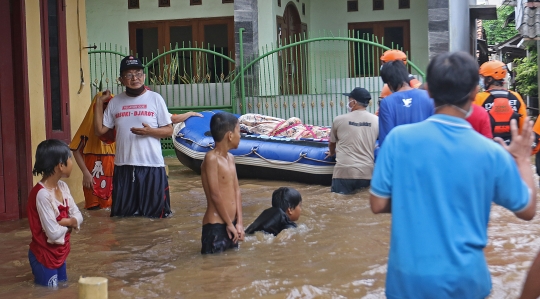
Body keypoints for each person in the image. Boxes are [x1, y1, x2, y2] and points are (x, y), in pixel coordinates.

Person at [369, 51, 536, 299]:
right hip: (467, 281)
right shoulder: (491, 152)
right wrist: (522, 159)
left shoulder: (397, 140)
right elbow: (527, 210)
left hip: (407, 281)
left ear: (429, 92)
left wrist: (420, 199)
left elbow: (378, 203)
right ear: (473, 92)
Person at [94, 55, 173, 218]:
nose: (134, 78)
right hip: (124, 166)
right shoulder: (116, 102)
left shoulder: (155, 99)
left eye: (138, 73)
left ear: (144, 76)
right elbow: (100, 131)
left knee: (156, 218)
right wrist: (99, 103)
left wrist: (150, 132)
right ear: (121, 79)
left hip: (152, 166)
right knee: (122, 218)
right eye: (129, 75)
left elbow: (169, 130)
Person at [27, 139, 83, 287]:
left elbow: (79, 215)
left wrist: (68, 222)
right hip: (43, 255)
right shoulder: (42, 195)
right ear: (60, 165)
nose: (72, 162)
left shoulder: (63, 187)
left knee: (62, 290)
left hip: (59, 253)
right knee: (49, 293)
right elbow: (52, 233)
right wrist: (71, 224)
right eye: (69, 159)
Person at [200, 112, 244, 254]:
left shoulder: (231, 158)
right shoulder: (211, 159)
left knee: (232, 269)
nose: (240, 136)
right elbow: (215, 195)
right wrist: (229, 224)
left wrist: (239, 223)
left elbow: (237, 191)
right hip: (215, 226)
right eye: (239, 132)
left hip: (232, 225)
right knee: (215, 272)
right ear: (230, 135)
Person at [327, 87, 379, 194]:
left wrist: (332, 152)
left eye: (349, 100)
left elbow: (332, 143)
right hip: (367, 173)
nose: (348, 103)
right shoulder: (377, 120)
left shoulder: (339, 120)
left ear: (354, 102)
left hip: (343, 172)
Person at [69, 92, 115, 210]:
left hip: (113, 177)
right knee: (94, 210)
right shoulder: (88, 127)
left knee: (113, 212)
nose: (105, 108)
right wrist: (85, 173)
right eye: (102, 104)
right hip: (92, 179)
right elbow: (75, 150)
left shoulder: (116, 127)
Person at [378, 60, 434, 146]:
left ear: (389, 83)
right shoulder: (428, 96)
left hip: (400, 156)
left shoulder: (386, 103)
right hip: (426, 153)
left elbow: (386, 140)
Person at [475, 60, 527, 144]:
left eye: (482, 77)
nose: (481, 80)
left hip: (488, 145)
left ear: (489, 79)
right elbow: (523, 124)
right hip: (511, 146)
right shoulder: (516, 96)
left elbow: (474, 124)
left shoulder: (479, 97)